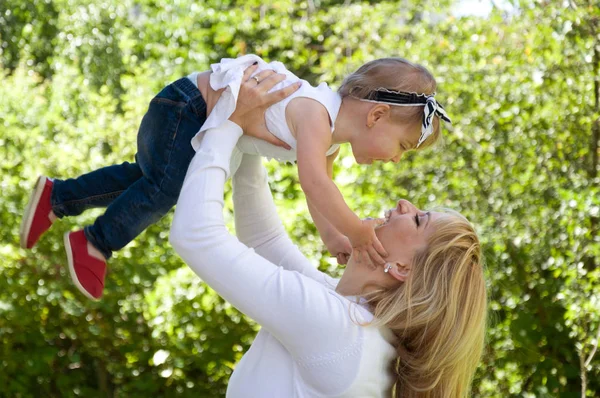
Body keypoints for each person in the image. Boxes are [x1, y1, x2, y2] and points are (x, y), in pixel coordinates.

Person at [20, 55, 450, 300]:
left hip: (189, 110)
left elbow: (322, 193)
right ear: (376, 116)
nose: (396, 160)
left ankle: (58, 197)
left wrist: (333, 236)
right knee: (166, 187)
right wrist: (356, 231)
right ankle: (96, 241)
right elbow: (314, 183)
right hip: (187, 106)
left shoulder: (330, 141)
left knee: (148, 180)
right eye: (403, 148)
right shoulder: (315, 114)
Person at [169, 76, 487, 397]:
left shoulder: (338, 330)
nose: (406, 204)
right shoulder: (356, 326)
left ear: (403, 268)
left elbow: (197, 237)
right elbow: (263, 241)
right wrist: (252, 128)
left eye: (419, 220)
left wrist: (228, 122)